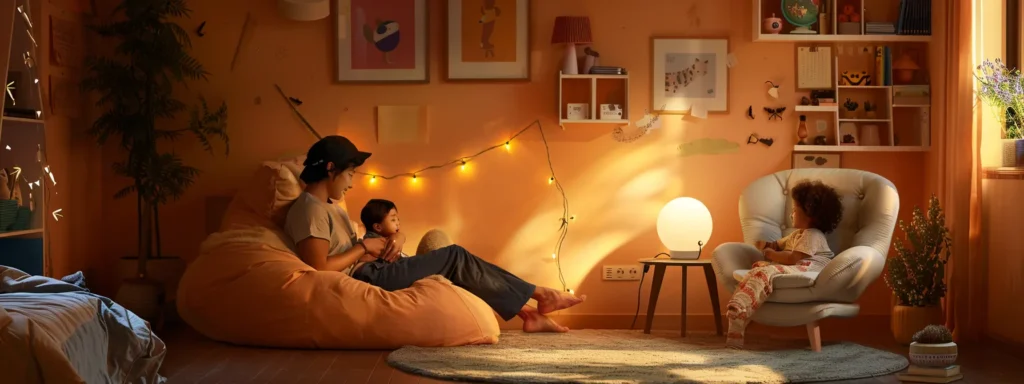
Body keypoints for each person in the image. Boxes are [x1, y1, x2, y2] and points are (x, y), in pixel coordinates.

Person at [284, 135, 586, 333]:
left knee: (456, 258)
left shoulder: (331, 207)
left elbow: (366, 242)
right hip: (366, 276)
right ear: (331, 169)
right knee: (454, 255)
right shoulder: (309, 210)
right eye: (350, 174)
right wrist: (363, 249)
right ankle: (538, 298)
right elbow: (319, 267)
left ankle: (529, 312)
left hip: (377, 266)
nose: (351, 183)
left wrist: (394, 240)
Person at [725, 180, 843, 348]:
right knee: (761, 268)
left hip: (810, 270)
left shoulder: (812, 235)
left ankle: (742, 304)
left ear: (810, 214)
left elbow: (793, 258)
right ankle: (742, 304)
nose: (791, 214)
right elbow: (778, 244)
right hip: (797, 268)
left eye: (795, 210)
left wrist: (771, 254)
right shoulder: (798, 235)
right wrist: (766, 245)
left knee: (767, 270)